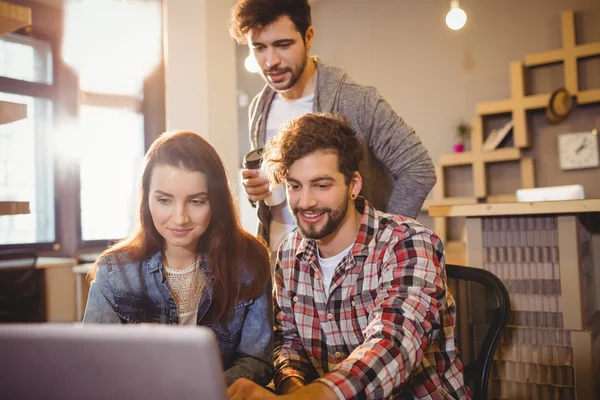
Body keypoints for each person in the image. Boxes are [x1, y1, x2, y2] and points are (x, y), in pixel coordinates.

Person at [227, 114, 469, 399]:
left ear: (353, 185)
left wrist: (309, 397)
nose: (306, 202)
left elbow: (394, 346)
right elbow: (288, 342)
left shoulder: (409, 243)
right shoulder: (290, 253)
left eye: (322, 185)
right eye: (295, 186)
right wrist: (293, 389)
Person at [229, 0, 436, 261]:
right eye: (259, 48)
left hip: (349, 259)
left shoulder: (355, 100)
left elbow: (418, 168)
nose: (271, 61)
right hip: (282, 256)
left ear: (308, 37)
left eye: (283, 45)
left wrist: (381, 240)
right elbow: (276, 188)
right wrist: (256, 191)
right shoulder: (260, 106)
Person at [83, 131, 273, 387]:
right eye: (164, 200)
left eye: (196, 201)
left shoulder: (249, 263)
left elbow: (257, 360)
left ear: (216, 202)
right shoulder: (114, 272)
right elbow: (94, 366)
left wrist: (201, 391)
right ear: (146, 199)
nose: (180, 218)